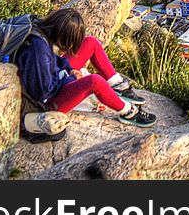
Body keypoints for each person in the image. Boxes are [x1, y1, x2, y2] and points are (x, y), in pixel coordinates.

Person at [15, 9, 157, 127]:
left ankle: (118, 86)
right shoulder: (38, 49)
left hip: (54, 78)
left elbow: (52, 61)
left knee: (90, 43)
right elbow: (42, 92)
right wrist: (71, 78)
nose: (68, 47)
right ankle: (128, 112)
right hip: (45, 105)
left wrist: (68, 69)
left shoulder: (40, 31)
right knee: (94, 81)